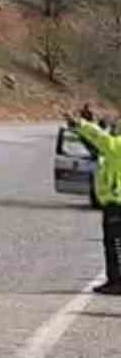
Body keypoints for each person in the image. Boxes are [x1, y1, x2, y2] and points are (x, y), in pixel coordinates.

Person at [73, 115, 121, 295]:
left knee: (114, 243)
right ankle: (114, 280)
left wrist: (80, 124)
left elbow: (100, 138)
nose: (114, 129)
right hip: (114, 201)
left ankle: (117, 281)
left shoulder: (117, 146)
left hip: (116, 202)